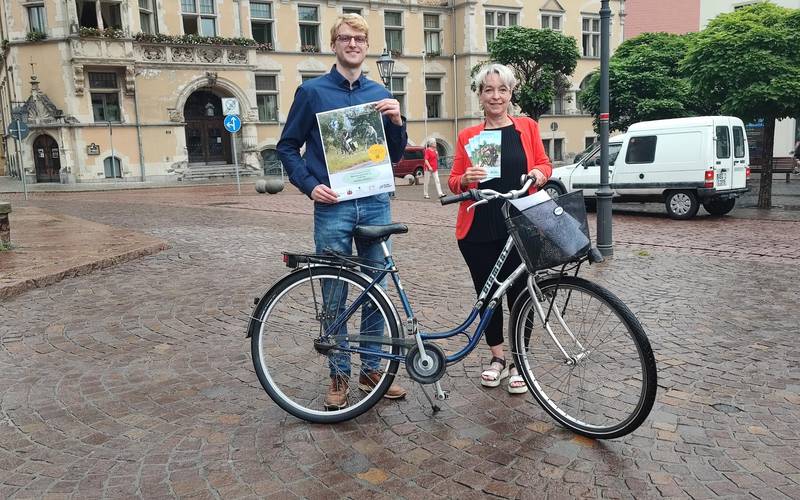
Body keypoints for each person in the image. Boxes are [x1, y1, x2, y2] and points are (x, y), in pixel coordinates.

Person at [276, 13, 408, 410]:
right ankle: (338, 376)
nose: (353, 44)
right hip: (333, 206)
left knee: (375, 292)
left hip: (373, 203)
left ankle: (374, 372)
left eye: (360, 39)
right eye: (346, 38)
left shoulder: (378, 92)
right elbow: (287, 147)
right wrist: (309, 185)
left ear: (366, 47)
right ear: (333, 44)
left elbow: (395, 156)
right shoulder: (312, 92)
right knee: (334, 294)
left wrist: (398, 122)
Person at [448, 63, 552, 394]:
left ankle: (520, 361)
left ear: (510, 94)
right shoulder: (469, 136)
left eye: (502, 90)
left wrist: (538, 175)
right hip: (478, 227)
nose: (496, 96)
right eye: (489, 90)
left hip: (519, 223)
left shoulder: (527, 127)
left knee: (522, 294)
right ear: (480, 95)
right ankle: (497, 358)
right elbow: (453, 182)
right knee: (488, 295)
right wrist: (464, 179)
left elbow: (544, 164)